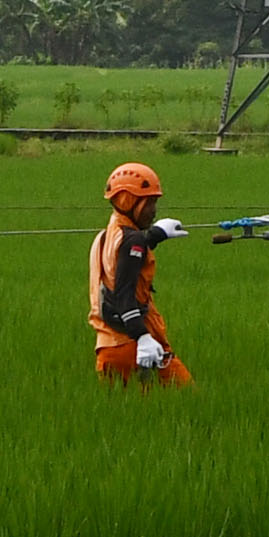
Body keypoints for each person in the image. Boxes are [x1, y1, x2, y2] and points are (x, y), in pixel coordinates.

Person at [87, 161, 192, 387]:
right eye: (149, 203)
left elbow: (125, 257)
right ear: (129, 200)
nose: (153, 210)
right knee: (187, 398)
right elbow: (123, 295)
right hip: (131, 346)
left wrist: (153, 236)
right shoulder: (131, 241)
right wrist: (143, 337)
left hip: (108, 348)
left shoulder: (106, 236)